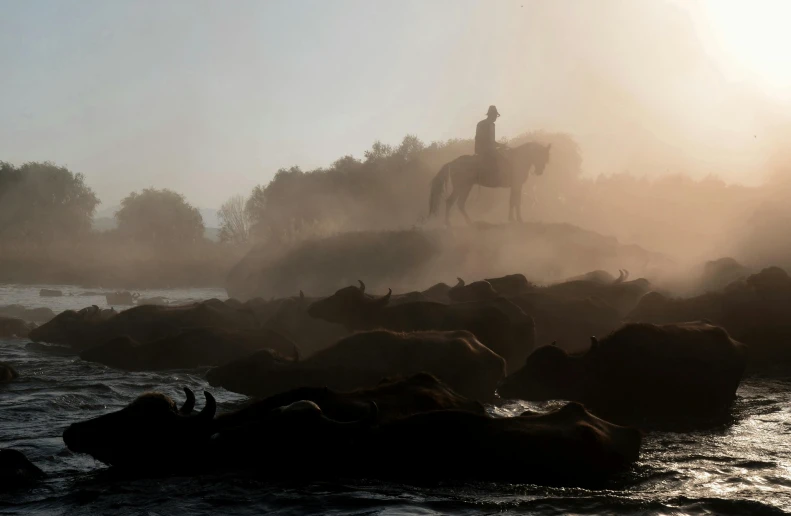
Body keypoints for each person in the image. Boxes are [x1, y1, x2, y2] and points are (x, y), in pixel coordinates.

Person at [474, 105, 509, 183]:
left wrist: (500, 145)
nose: (496, 117)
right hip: (484, 150)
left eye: (496, 115)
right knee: (501, 159)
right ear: (491, 115)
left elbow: (491, 141)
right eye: (495, 115)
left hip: (490, 149)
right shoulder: (482, 124)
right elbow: (481, 139)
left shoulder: (492, 125)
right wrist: (496, 146)